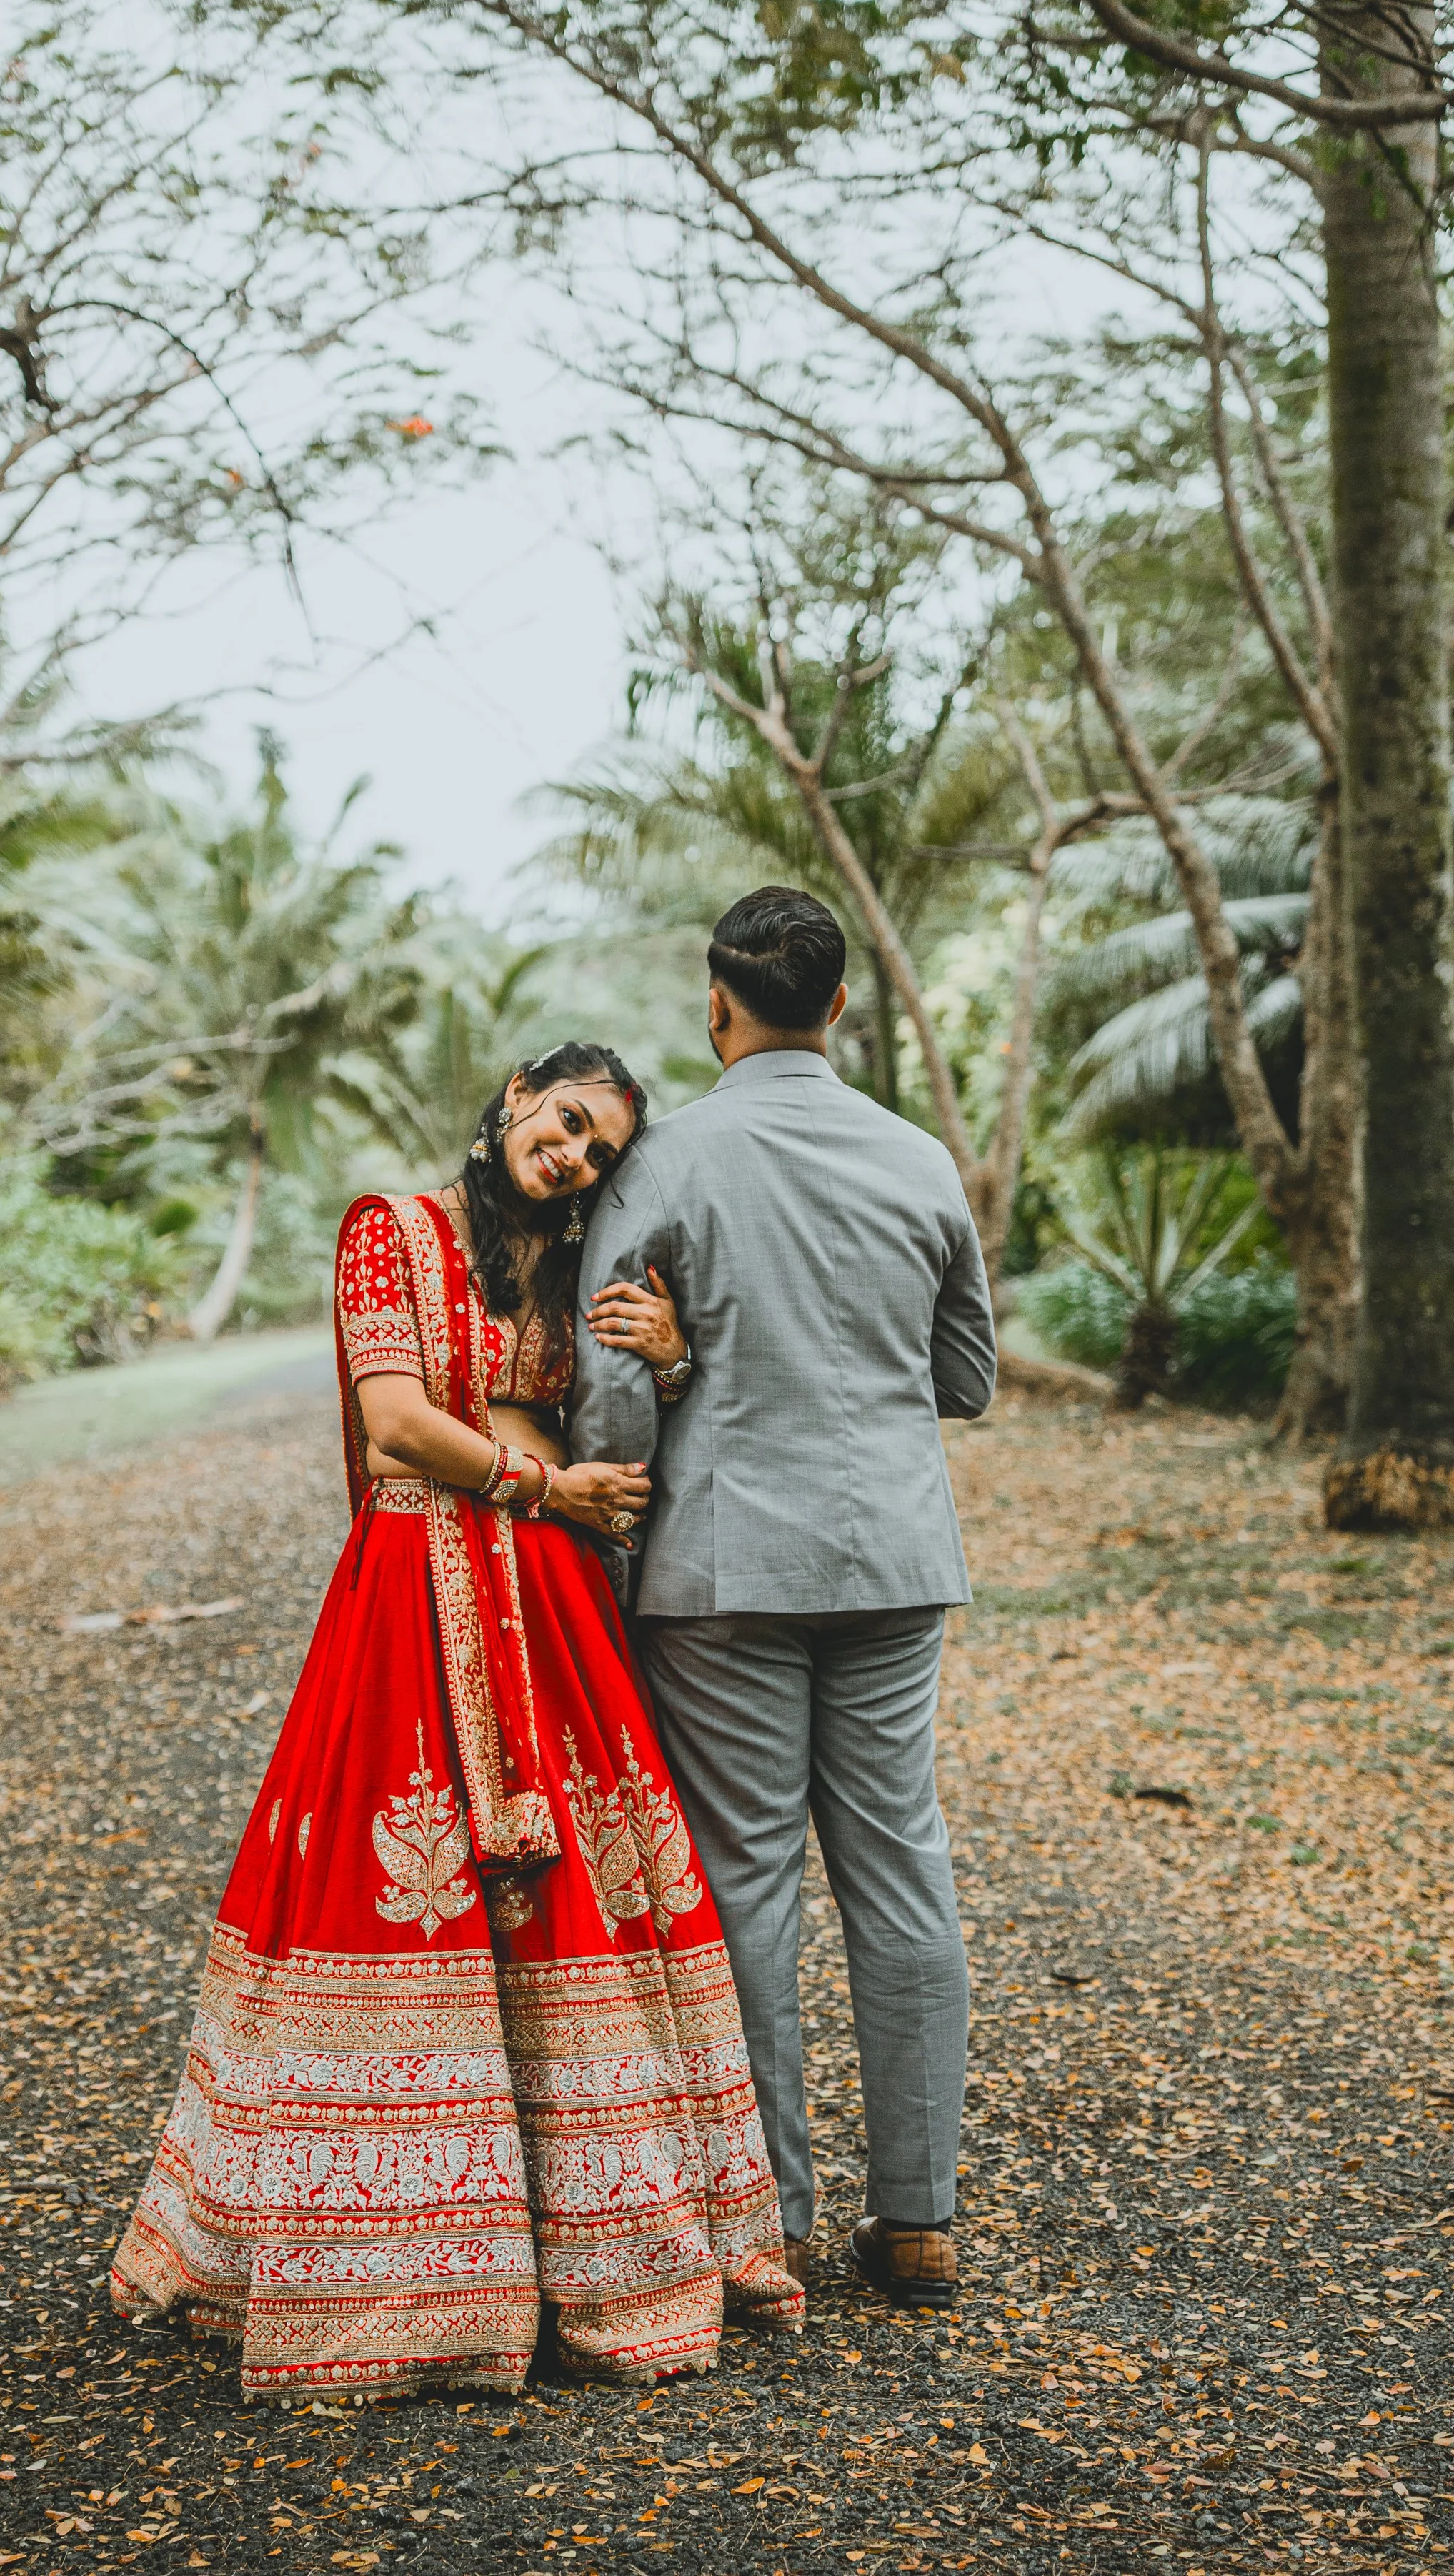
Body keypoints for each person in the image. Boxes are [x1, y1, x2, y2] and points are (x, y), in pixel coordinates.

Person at [111, 1043, 802, 2405]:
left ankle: (590, 2261)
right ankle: (408, 2278)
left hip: (547, 1609)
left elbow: (607, 1421)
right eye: (566, 1124)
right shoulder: (394, 1231)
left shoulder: (570, 1266)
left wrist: (667, 1364)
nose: (578, 1158)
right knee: (398, 1890)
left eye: (602, 1149)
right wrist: (539, 1488)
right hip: (417, 1586)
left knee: (578, 1911)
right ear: (509, 1099)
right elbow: (393, 1429)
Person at [573, 890, 997, 2313]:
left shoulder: (669, 1158)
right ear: (834, 1009)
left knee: (743, 1873)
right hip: (887, 1558)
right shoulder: (917, 1156)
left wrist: (614, 1521)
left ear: (716, 1006)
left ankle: (773, 2224)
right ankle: (920, 2217)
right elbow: (964, 1380)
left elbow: (617, 1388)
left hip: (720, 1574)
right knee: (900, 1864)